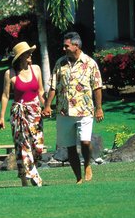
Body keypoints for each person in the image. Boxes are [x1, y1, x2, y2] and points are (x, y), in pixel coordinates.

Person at [42, 31, 103, 184]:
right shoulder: (60, 63)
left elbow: (97, 87)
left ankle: (88, 165)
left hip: (85, 110)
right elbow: (53, 86)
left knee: (85, 142)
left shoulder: (90, 63)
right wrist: (48, 105)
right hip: (64, 111)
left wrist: (99, 108)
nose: (64, 48)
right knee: (69, 147)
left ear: (76, 46)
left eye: (66, 46)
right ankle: (78, 178)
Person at [0, 41, 45, 187]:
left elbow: (41, 91)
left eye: (30, 52)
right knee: (22, 146)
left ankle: (27, 173)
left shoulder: (36, 69)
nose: (30, 55)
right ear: (20, 57)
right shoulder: (10, 74)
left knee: (37, 146)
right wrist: (1, 117)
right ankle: (33, 177)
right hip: (19, 113)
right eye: (27, 53)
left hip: (35, 112)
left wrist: (46, 106)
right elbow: (5, 95)